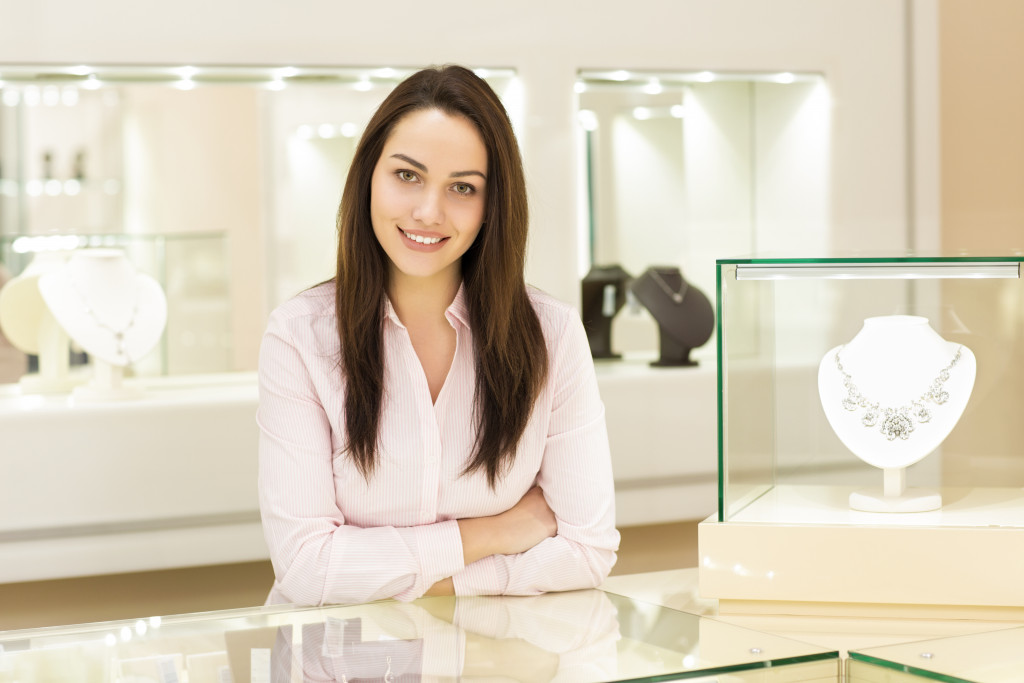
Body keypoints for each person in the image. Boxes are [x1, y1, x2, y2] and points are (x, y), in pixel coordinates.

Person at [257, 64, 619, 606]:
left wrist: (420, 580)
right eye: (407, 176)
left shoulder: (554, 335)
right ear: (368, 179)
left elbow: (587, 551)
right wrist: (491, 534)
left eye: (463, 187)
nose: (429, 211)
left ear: (492, 204)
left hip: (494, 661)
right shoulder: (300, 336)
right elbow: (308, 570)